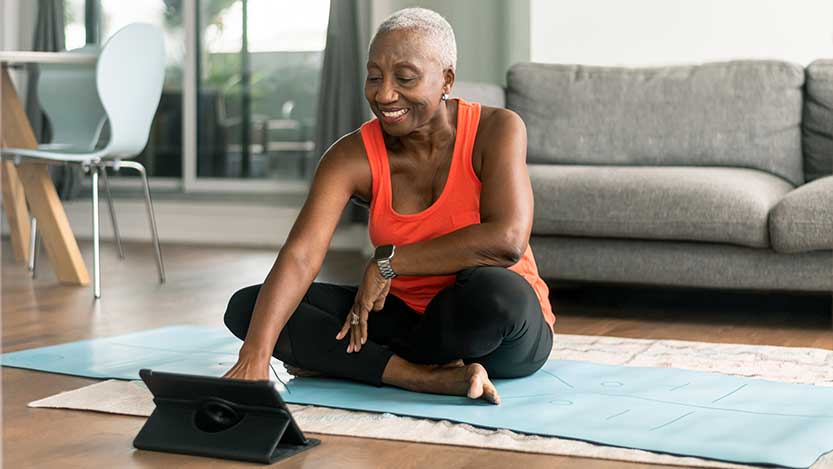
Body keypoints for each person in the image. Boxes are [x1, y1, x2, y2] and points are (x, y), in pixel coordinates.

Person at [223, 7, 555, 405]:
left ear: (446, 78)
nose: (384, 95)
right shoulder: (351, 156)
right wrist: (254, 357)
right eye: (374, 77)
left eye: (405, 78)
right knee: (250, 309)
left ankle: (356, 363)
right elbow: (302, 255)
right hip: (404, 319)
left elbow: (507, 240)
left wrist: (389, 262)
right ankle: (420, 377)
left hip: (494, 329)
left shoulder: (497, 129)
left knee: (496, 291)